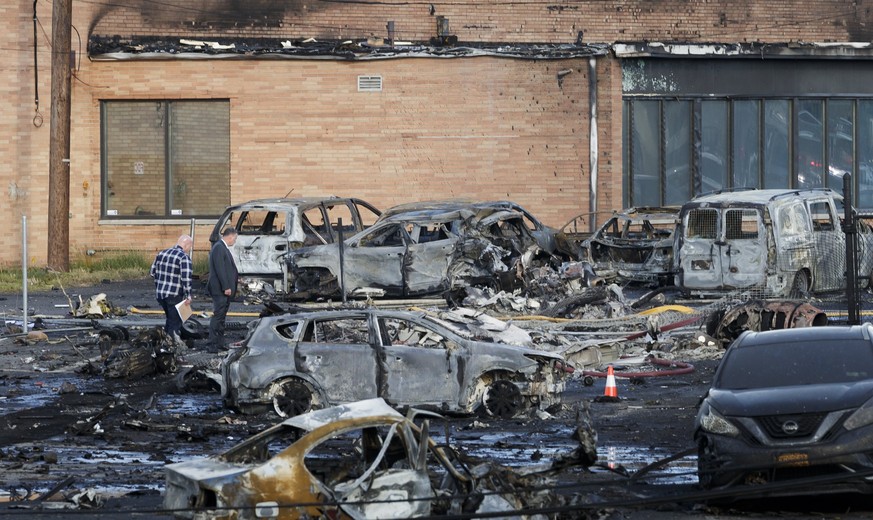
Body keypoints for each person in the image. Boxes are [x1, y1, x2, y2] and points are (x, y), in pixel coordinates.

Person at [149, 235, 193, 345]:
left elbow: (152, 272)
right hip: (174, 294)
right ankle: (170, 345)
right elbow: (186, 278)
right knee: (175, 322)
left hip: (161, 294)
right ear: (187, 245)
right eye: (190, 247)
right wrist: (188, 295)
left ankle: (164, 341)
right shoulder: (184, 257)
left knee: (169, 319)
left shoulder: (161, 253)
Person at [207, 226, 239, 353]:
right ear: (230, 236)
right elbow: (220, 269)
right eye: (235, 239)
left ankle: (219, 343)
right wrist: (226, 286)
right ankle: (212, 344)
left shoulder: (221, 247)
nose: (234, 241)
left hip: (223, 289)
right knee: (218, 317)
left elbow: (226, 268)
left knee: (221, 318)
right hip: (220, 290)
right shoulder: (219, 248)